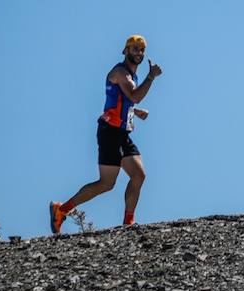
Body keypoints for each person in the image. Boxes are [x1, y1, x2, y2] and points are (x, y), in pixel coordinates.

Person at [50, 34, 163, 233]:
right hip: (110, 133)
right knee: (106, 184)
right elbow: (134, 96)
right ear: (125, 51)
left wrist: (135, 113)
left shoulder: (131, 76)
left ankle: (128, 223)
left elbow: (121, 101)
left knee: (139, 175)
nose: (139, 52)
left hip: (122, 133)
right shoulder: (121, 72)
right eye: (135, 48)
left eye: (142, 49)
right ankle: (62, 209)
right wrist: (151, 77)